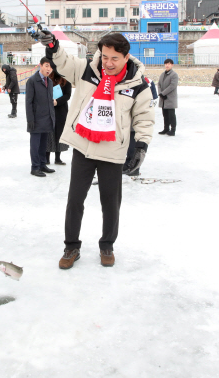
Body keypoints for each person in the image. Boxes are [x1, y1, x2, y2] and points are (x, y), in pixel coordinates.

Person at [39, 31, 155, 269]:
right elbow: (63, 62)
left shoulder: (138, 85)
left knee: (111, 203)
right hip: (84, 147)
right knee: (75, 200)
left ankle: (107, 245)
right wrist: (53, 45)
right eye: (104, 57)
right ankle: (71, 247)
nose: (108, 63)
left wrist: (141, 146)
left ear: (125, 57)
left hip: (113, 151)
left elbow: (144, 118)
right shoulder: (86, 71)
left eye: (114, 58)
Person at [25, 57, 56, 177]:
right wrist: (30, 119)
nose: (49, 69)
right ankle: (35, 167)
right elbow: (29, 102)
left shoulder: (50, 81)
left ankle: (43, 164)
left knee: (44, 144)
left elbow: (49, 101)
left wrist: (52, 117)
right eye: (47, 66)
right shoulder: (32, 81)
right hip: (36, 119)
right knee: (35, 144)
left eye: (51, 67)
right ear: (41, 65)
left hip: (47, 118)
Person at [46, 63, 72, 165]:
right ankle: (46, 158)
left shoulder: (66, 80)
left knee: (59, 133)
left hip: (61, 110)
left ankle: (58, 158)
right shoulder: (48, 79)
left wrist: (57, 101)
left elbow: (67, 95)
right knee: (49, 133)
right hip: (49, 109)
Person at [157, 59, 179, 136]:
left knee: (171, 115)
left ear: (172, 65)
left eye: (169, 64)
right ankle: (166, 128)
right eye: (166, 63)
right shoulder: (162, 74)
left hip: (170, 98)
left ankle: (173, 130)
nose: (167, 65)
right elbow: (159, 84)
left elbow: (172, 86)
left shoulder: (174, 75)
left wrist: (163, 93)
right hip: (163, 98)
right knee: (165, 114)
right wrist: (160, 93)